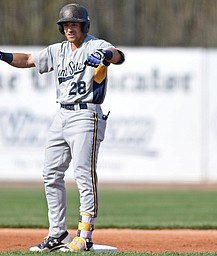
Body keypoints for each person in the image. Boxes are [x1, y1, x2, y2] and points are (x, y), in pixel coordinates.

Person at [0, 3, 124, 252]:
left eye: (74, 24)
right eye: (66, 24)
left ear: (84, 26)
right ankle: (58, 234)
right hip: (62, 114)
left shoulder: (94, 45)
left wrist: (106, 56)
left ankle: (85, 235)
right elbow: (27, 60)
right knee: (51, 174)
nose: (69, 28)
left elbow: (118, 55)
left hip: (86, 114)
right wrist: (1, 55)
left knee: (83, 175)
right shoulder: (58, 51)